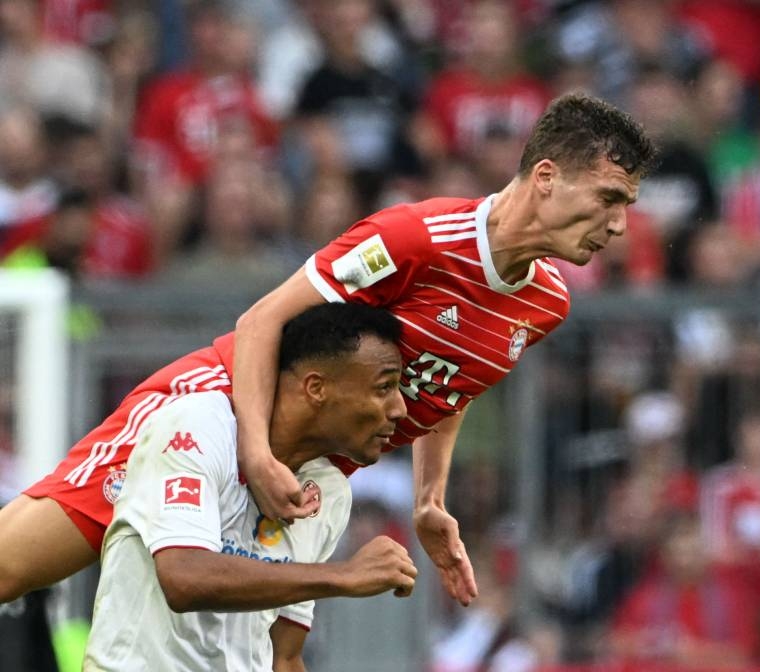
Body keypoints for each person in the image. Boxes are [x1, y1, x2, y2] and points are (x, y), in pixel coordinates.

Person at [0, 92, 657, 607]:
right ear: (545, 177)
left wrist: (431, 499)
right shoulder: (416, 238)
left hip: (305, 476)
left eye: (626, 204)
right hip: (216, 415)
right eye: (608, 198)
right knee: (12, 568)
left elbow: (454, 379)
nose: (619, 225)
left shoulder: (546, 302)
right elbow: (262, 321)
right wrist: (254, 451)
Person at [83, 301, 418, 671]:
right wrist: (343, 574)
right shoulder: (197, 425)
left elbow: (285, 657)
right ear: (316, 388)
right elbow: (184, 577)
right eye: (385, 387)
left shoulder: (330, 491)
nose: (399, 409)